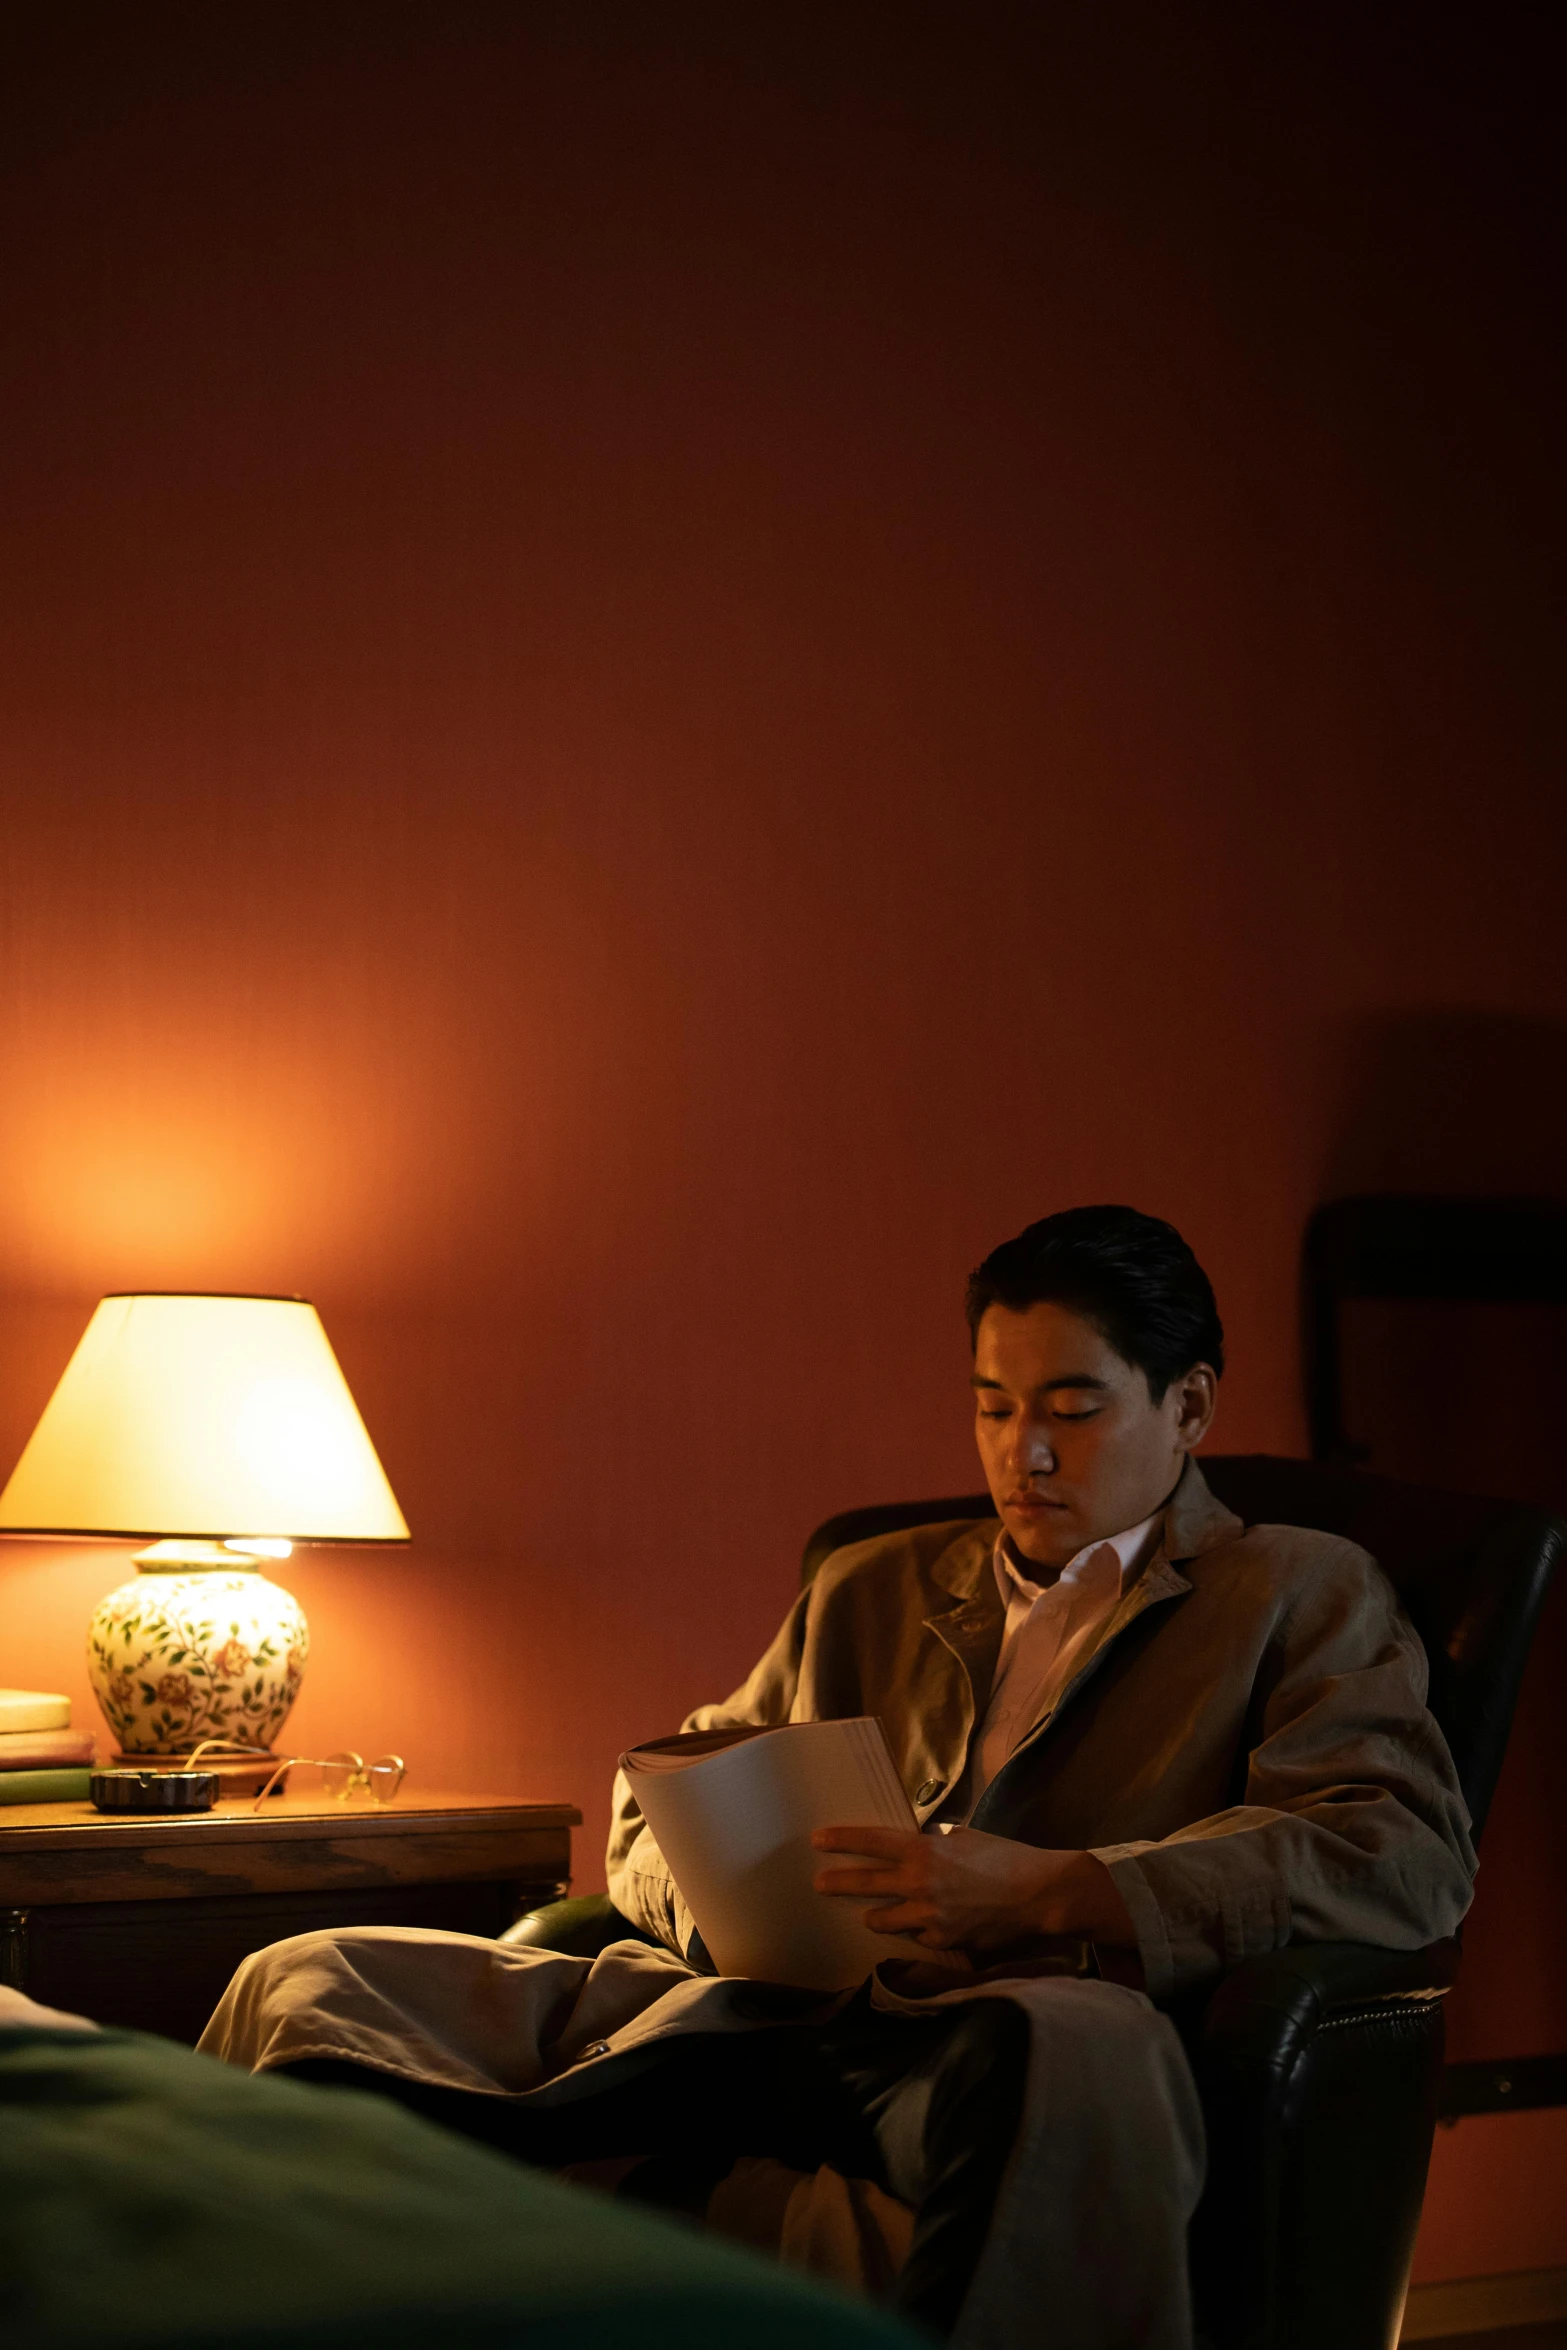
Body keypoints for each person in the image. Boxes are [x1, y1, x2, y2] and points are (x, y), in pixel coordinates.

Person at [201, 1206, 1476, 2350]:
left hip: (990, 2038)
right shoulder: (871, 1583)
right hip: (759, 2017)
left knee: (1064, 2053)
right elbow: (666, 1788)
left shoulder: (1299, 1590)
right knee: (308, 1976)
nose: (1021, 1452)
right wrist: (730, 1914)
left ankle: (580, 2171)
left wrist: (1054, 1892)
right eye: (991, 1405)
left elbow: (1397, 1851)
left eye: (1071, 1409)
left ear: (1188, 1407)